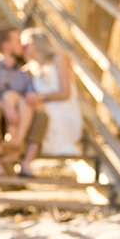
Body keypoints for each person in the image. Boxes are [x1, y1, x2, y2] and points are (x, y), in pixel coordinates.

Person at [0, 27, 48, 177]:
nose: (21, 44)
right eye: (17, 41)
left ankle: (24, 161)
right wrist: (7, 108)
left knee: (41, 114)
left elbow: (29, 93)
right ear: (6, 46)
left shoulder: (23, 74)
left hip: (17, 118)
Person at [21, 28, 83, 157]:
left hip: (64, 108)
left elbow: (66, 93)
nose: (23, 46)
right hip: (44, 107)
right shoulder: (30, 68)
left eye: (26, 43)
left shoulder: (59, 58)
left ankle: (23, 150)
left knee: (33, 108)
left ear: (37, 42)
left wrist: (40, 97)